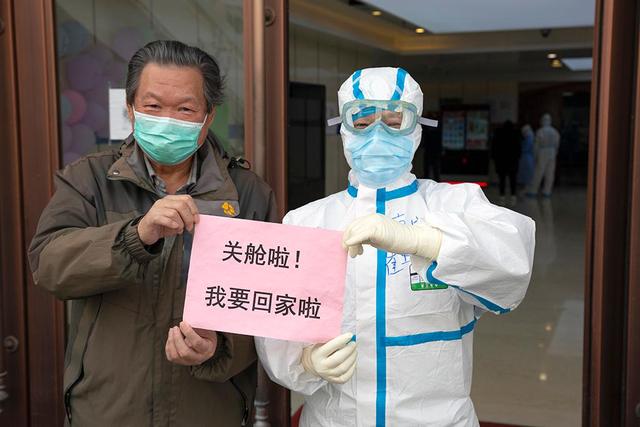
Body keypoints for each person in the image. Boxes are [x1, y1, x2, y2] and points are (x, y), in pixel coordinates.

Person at [255, 67, 535, 426]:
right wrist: (303, 362)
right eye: (362, 121)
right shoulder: (307, 222)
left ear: (417, 129)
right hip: (334, 419)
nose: (378, 134)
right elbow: (278, 323)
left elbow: (512, 262)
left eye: (394, 119)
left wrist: (428, 241)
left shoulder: (455, 206)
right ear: (342, 129)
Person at [28, 40, 276, 426]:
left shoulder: (247, 193)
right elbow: (49, 265)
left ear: (208, 117)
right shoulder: (90, 178)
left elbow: (270, 305)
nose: (168, 120)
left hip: (208, 411)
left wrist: (220, 346)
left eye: (185, 109)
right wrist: (135, 236)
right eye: (153, 106)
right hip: (107, 411)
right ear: (130, 109)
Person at [527, 113, 561, 197]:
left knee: (539, 172)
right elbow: (557, 144)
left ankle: (533, 191)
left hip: (542, 152)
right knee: (550, 173)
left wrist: (535, 155)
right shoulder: (555, 131)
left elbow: (536, 145)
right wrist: (555, 152)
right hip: (552, 153)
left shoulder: (540, 131)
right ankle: (547, 191)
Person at [491, 120, 521, 205]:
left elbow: (494, 148)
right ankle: (513, 196)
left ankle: (502, 196)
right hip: (512, 162)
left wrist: (494, 159)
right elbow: (518, 149)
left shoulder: (498, 134)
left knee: (502, 180)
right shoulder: (515, 135)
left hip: (501, 162)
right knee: (513, 180)